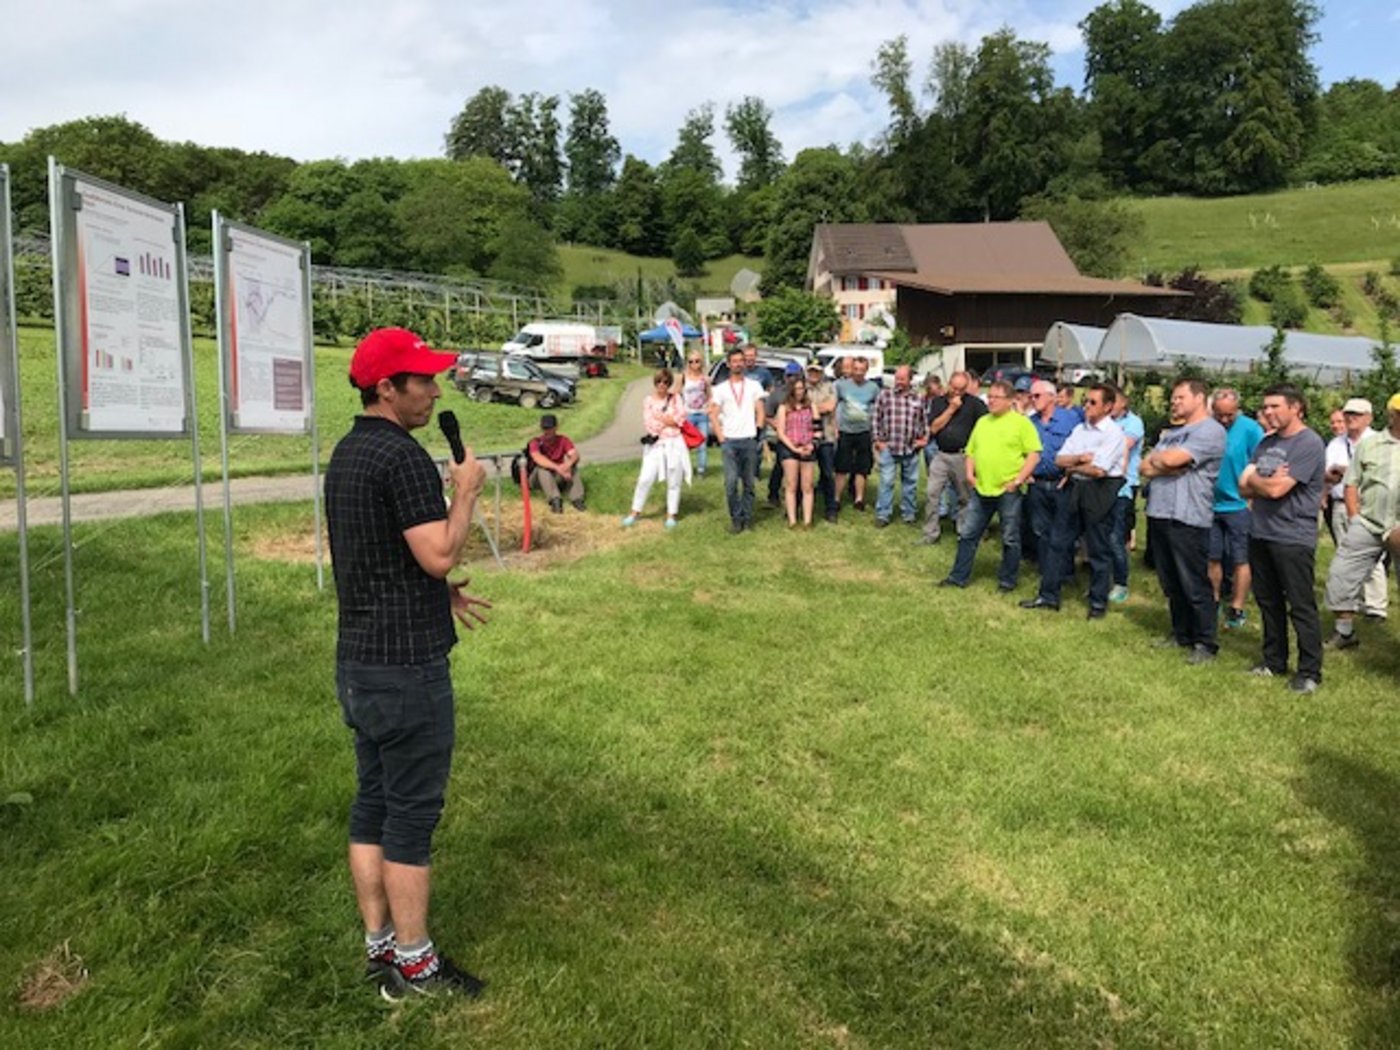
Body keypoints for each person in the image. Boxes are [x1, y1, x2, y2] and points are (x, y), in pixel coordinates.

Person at [325, 327, 491, 999]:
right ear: (385, 388)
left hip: (360, 664)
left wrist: (434, 593)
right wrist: (467, 490)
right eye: (421, 379)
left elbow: (377, 553)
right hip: (407, 671)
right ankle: (417, 965)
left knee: (372, 804)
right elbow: (440, 551)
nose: (434, 389)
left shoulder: (349, 453)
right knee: (410, 818)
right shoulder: (404, 460)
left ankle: (380, 948)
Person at [1239, 384, 1327, 693]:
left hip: (1292, 536)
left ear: (1296, 408)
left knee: (1300, 605)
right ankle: (1274, 660)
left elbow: (1276, 490)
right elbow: (1243, 487)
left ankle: (1309, 671)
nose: (1268, 412)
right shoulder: (1266, 443)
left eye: (1275, 406)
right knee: (1268, 602)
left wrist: (1257, 481)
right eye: (1266, 407)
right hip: (1260, 530)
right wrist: (1260, 481)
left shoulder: (1309, 443)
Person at [1140, 378, 1228, 664]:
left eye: (1180, 397)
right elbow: (1145, 465)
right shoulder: (1172, 432)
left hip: (1188, 516)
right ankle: (1181, 634)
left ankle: (1205, 642)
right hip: (1160, 512)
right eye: (1173, 398)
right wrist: (1163, 463)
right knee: (1171, 581)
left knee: (1193, 582)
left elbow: (1170, 461)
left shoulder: (1210, 430)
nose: (1174, 402)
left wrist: (1163, 462)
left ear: (1199, 398)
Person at [1021, 383, 1126, 616]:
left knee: (1098, 549)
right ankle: (1049, 595)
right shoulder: (1081, 430)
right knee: (1058, 542)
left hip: (1100, 491)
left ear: (1108, 407)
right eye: (1085, 401)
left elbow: (1099, 469)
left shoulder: (1114, 434)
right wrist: (1079, 459)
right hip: (1075, 488)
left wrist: (1074, 466)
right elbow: (1059, 459)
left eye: (1092, 402)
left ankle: (1098, 603)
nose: (1086, 406)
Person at [939, 380, 1041, 591]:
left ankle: (1007, 581)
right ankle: (958, 577)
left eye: (996, 397)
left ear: (1010, 401)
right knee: (968, 534)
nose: (991, 401)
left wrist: (1018, 480)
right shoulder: (983, 422)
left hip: (1008, 490)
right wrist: (969, 473)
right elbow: (971, 451)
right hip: (982, 489)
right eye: (990, 396)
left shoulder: (1021, 423)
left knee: (1010, 538)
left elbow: (1034, 454)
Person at [1324, 392, 1400, 650]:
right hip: (1368, 522)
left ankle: (1378, 613)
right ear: (1391, 414)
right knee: (1340, 574)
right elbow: (1352, 482)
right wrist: (1356, 517)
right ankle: (1344, 632)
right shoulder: (1371, 445)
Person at [1208, 388, 1265, 630]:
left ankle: (1237, 606)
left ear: (1237, 410)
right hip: (1210, 504)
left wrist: (1252, 498)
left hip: (1239, 505)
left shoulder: (1251, 429)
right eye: (1219, 414)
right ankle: (1214, 601)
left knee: (1240, 558)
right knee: (1212, 556)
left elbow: (1261, 463)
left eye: (1229, 415)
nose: (1223, 420)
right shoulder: (1208, 428)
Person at [920, 370, 986, 545]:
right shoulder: (938, 402)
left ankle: (964, 532)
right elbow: (933, 428)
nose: (957, 392)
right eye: (954, 388)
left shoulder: (975, 404)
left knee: (965, 497)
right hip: (941, 454)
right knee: (932, 493)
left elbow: (986, 427)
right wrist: (951, 409)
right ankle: (930, 533)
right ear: (949, 384)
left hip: (963, 455)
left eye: (961, 389)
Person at [623, 369, 692, 529]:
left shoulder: (676, 398)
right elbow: (649, 423)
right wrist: (668, 420)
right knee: (645, 478)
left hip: (674, 442)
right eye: (659, 382)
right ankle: (635, 511)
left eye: (666, 382)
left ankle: (671, 514)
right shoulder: (648, 400)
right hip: (656, 444)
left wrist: (667, 420)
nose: (662, 385)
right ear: (655, 383)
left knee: (674, 479)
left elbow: (681, 418)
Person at [1023, 379, 1079, 567]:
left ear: (1051, 397)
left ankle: (1066, 571)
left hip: (1062, 482)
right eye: (1031, 396)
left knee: (1063, 529)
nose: (1032, 399)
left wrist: (1070, 474)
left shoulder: (1070, 419)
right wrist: (1027, 473)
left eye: (1037, 396)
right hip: (1037, 484)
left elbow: (1081, 446)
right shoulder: (1030, 422)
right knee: (1040, 529)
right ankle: (1047, 569)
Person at [710, 346, 766, 534]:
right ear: (728, 364)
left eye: (740, 361)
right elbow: (714, 414)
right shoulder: (720, 389)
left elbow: (760, 409)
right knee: (731, 483)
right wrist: (720, 436)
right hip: (730, 441)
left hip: (748, 439)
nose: (738, 364)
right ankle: (736, 517)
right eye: (734, 362)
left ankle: (747, 518)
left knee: (749, 483)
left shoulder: (753, 386)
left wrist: (758, 430)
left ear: (744, 363)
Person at [872, 365, 929, 527]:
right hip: (889, 447)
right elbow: (876, 418)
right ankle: (883, 514)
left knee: (910, 483)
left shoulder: (918, 398)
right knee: (886, 481)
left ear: (910, 380)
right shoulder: (885, 395)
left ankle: (909, 514)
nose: (899, 382)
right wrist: (877, 440)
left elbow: (924, 422)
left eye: (902, 379)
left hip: (910, 448)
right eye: (897, 378)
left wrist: (923, 439)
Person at [1108, 388, 1145, 602]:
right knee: (1101, 536)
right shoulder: (1103, 423)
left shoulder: (1133, 423)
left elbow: (1120, 447)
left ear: (1124, 403)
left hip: (1124, 486)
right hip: (1100, 486)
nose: (1110, 406)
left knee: (1116, 536)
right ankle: (1103, 579)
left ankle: (1121, 583)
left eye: (1114, 402)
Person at [833, 356, 880, 513]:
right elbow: (833, 406)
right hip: (845, 431)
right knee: (841, 467)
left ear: (867, 370)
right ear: (851, 369)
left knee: (862, 468)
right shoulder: (841, 385)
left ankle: (859, 499)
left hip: (864, 432)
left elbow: (879, 409)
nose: (859, 373)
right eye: (856, 369)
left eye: (862, 370)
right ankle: (836, 498)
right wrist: (834, 427)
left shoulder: (873, 388)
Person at [775, 373, 817, 527]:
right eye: (797, 389)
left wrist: (812, 444)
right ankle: (792, 520)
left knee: (807, 485)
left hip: (807, 446)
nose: (800, 392)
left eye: (802, 388)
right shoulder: (784, 407)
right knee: (791, 484)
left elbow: (817, 428)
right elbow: (780, 431)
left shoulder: (811, 406)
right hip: (790, 448)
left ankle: (807, 520)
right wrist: (794, 448)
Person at [526, 414, 585, 512]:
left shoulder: (563, 440)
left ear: (556, 427)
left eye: (550, 428)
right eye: (545, 428)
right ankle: (555, 500)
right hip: (537, 479)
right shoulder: (535, 442)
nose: (547, 431)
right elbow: (538, 458)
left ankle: (577, 499)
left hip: (556, 476)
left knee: (573, 467)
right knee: (542, 469)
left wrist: (568, 465)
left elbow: (575, 454)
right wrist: (558, 468)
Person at [765, 362, 801, 507]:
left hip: (800, 436)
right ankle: (773, 493)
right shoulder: (777, 394)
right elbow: (767, 415)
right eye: (789, 376)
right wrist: (777, 425)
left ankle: (798, 496)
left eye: (795, 375)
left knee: (801, 467)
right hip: (784, 437)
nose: (792, 379)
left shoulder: (804, 393)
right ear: (785, 376)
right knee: (780, 466)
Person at [807, 360, 839, 522]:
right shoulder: (801, 388)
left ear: (821, 373)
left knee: (827, 474)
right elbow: (796, 407)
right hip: (805, 437)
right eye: (811, 371)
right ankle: (799, 507)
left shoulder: (829, 387)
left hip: (826, 436)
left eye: (816, 371)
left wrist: (810, 408)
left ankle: (831, 509)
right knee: (803, 475)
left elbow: (830, 407)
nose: (813, 374)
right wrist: (818, 408)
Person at [680, 352, 713, 476]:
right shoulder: (683, 377)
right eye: (691, 361)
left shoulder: (705, 379)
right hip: (688, 414)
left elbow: (709, 395)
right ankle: (685, 469)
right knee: (685, 444)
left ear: (701, 362)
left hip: (702, 414)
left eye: (697, 361)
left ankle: (701, 469)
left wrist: (709, 407)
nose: (694, 364)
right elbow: (677, 394)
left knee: (702, 443)